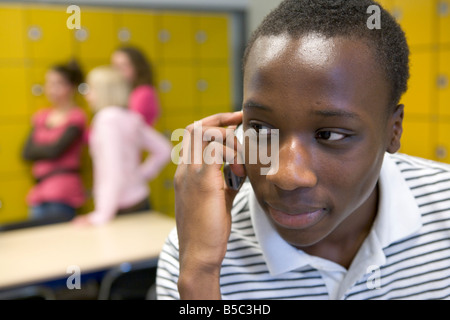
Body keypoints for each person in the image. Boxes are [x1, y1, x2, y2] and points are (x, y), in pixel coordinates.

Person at [156, 0, 450, 300]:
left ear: (394, 129)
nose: (286, 175)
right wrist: (200, 277)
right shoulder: (194, 253)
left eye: (330, 134)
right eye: (260, 128)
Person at [72, 66, 172, 226]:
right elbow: (164, 149)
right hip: (139, 199)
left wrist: (101, 215)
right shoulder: (129, 116)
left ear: (103, 91)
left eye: (89, 89)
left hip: (120, 207)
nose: (87, 95)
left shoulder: (106, 119)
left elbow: (113, 170)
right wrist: (139, 175)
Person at [22, 60, 87, 221]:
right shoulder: (41, 116)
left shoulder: (76, 117)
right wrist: (48, 149)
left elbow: (55, 151)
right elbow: (25, 152)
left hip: (63, 193)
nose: (51, 89)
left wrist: (42, 149)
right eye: (49, 84)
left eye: (58, 84)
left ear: (71, 87)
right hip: (39, 193)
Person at [111, 46, 160, 126]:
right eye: (114, 66)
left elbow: (130, 126)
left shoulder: (143, 92)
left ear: (137, 67)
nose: (117, 71)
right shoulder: (126, 90)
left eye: (123, 65)